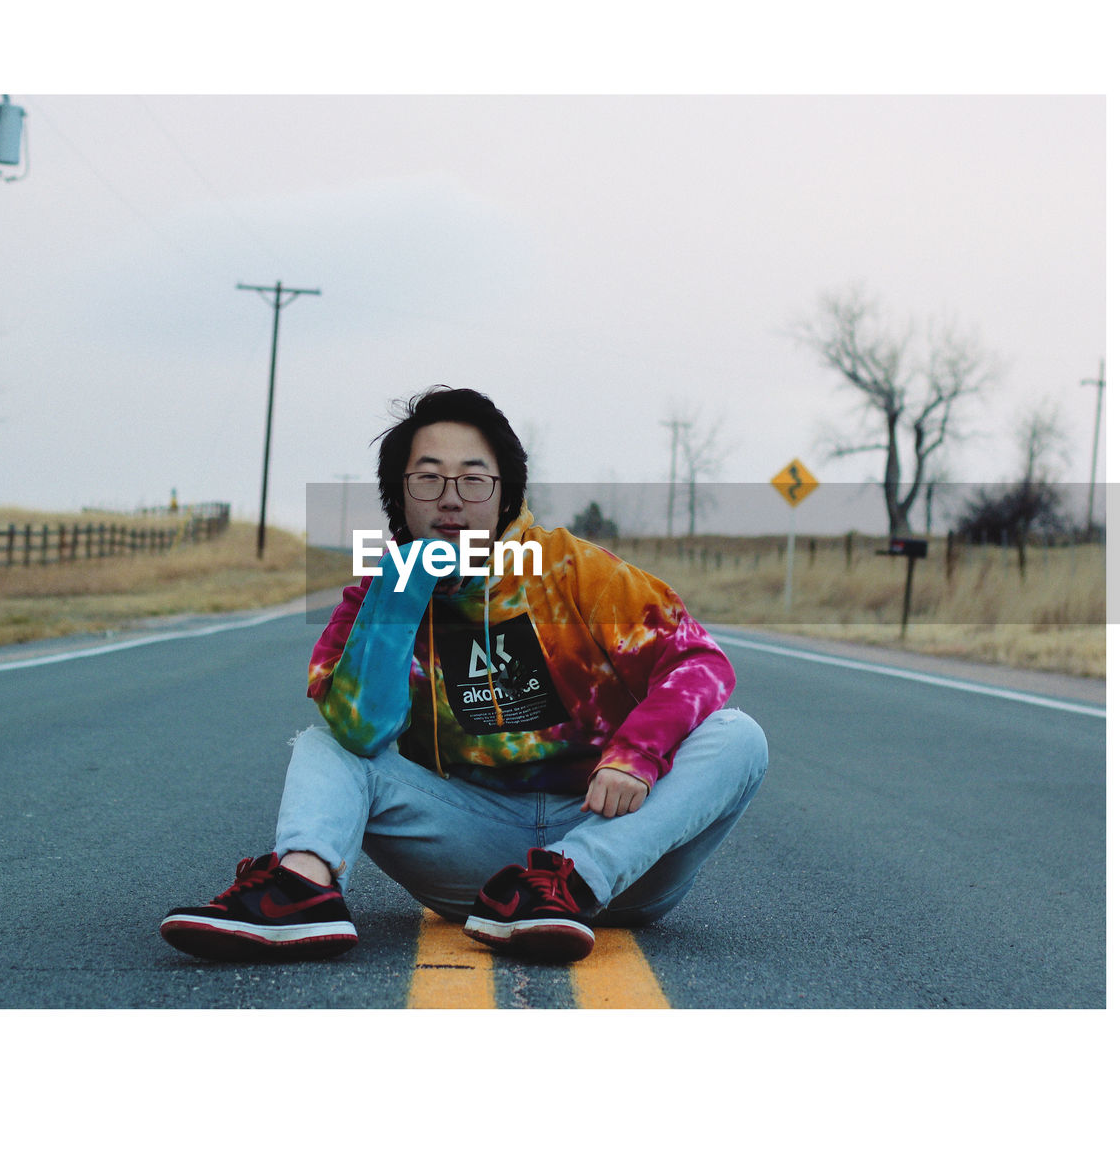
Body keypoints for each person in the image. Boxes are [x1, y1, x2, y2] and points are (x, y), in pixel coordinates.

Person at [161, 386, 768, 964]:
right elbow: (361, 733)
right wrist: (402, 591)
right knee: (325, 743)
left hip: (616, 852)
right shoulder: (376, 598)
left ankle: (567, 880)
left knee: (739, 737)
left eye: (473, 479)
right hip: (475, 860)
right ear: (399, 495)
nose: (450, 498)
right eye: (427, 478)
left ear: (504, 493)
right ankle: (300, 890)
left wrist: (635, 754)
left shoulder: (580, 572)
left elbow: (700, 664)